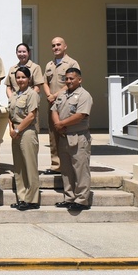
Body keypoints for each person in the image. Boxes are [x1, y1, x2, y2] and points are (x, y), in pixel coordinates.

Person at [52, 67, 93, 211]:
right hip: (63, 137)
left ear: (79, 80)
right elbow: (54, 110)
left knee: (81, 169)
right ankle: (69, 197)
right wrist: (58, 125)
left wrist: (61, 124)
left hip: (78, 137)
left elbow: (81, 115)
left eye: (72, 78)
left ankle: (82, 199)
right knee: (66, 170)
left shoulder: (84, 95)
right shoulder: (62, 94)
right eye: (66, 78)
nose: (68, 81)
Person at [43, 36, 80, 175]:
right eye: (53, 45)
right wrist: (49, 96)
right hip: (52, 105)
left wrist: (55, 95)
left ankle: (68, 164)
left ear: (65, 46)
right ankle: (56, 165)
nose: (56, 47)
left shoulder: (72, 63)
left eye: (58, 45)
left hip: (66, 103)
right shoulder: (49, 65)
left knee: (66, 134)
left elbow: (72, 83)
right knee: (53, 135)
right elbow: (45, 82)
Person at [8, 65, 41, 210]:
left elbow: (31, 115)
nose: (20, 80)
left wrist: (17, 129)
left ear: (29, 79)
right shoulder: (14, 94)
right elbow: (10, 114)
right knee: (19, 167)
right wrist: (11, 128)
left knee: (30, 167)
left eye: (23, 77)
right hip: (15, 132)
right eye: (18, 77)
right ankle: (22, 198)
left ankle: (32, 199)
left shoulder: (32, 94)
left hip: (27, 132)